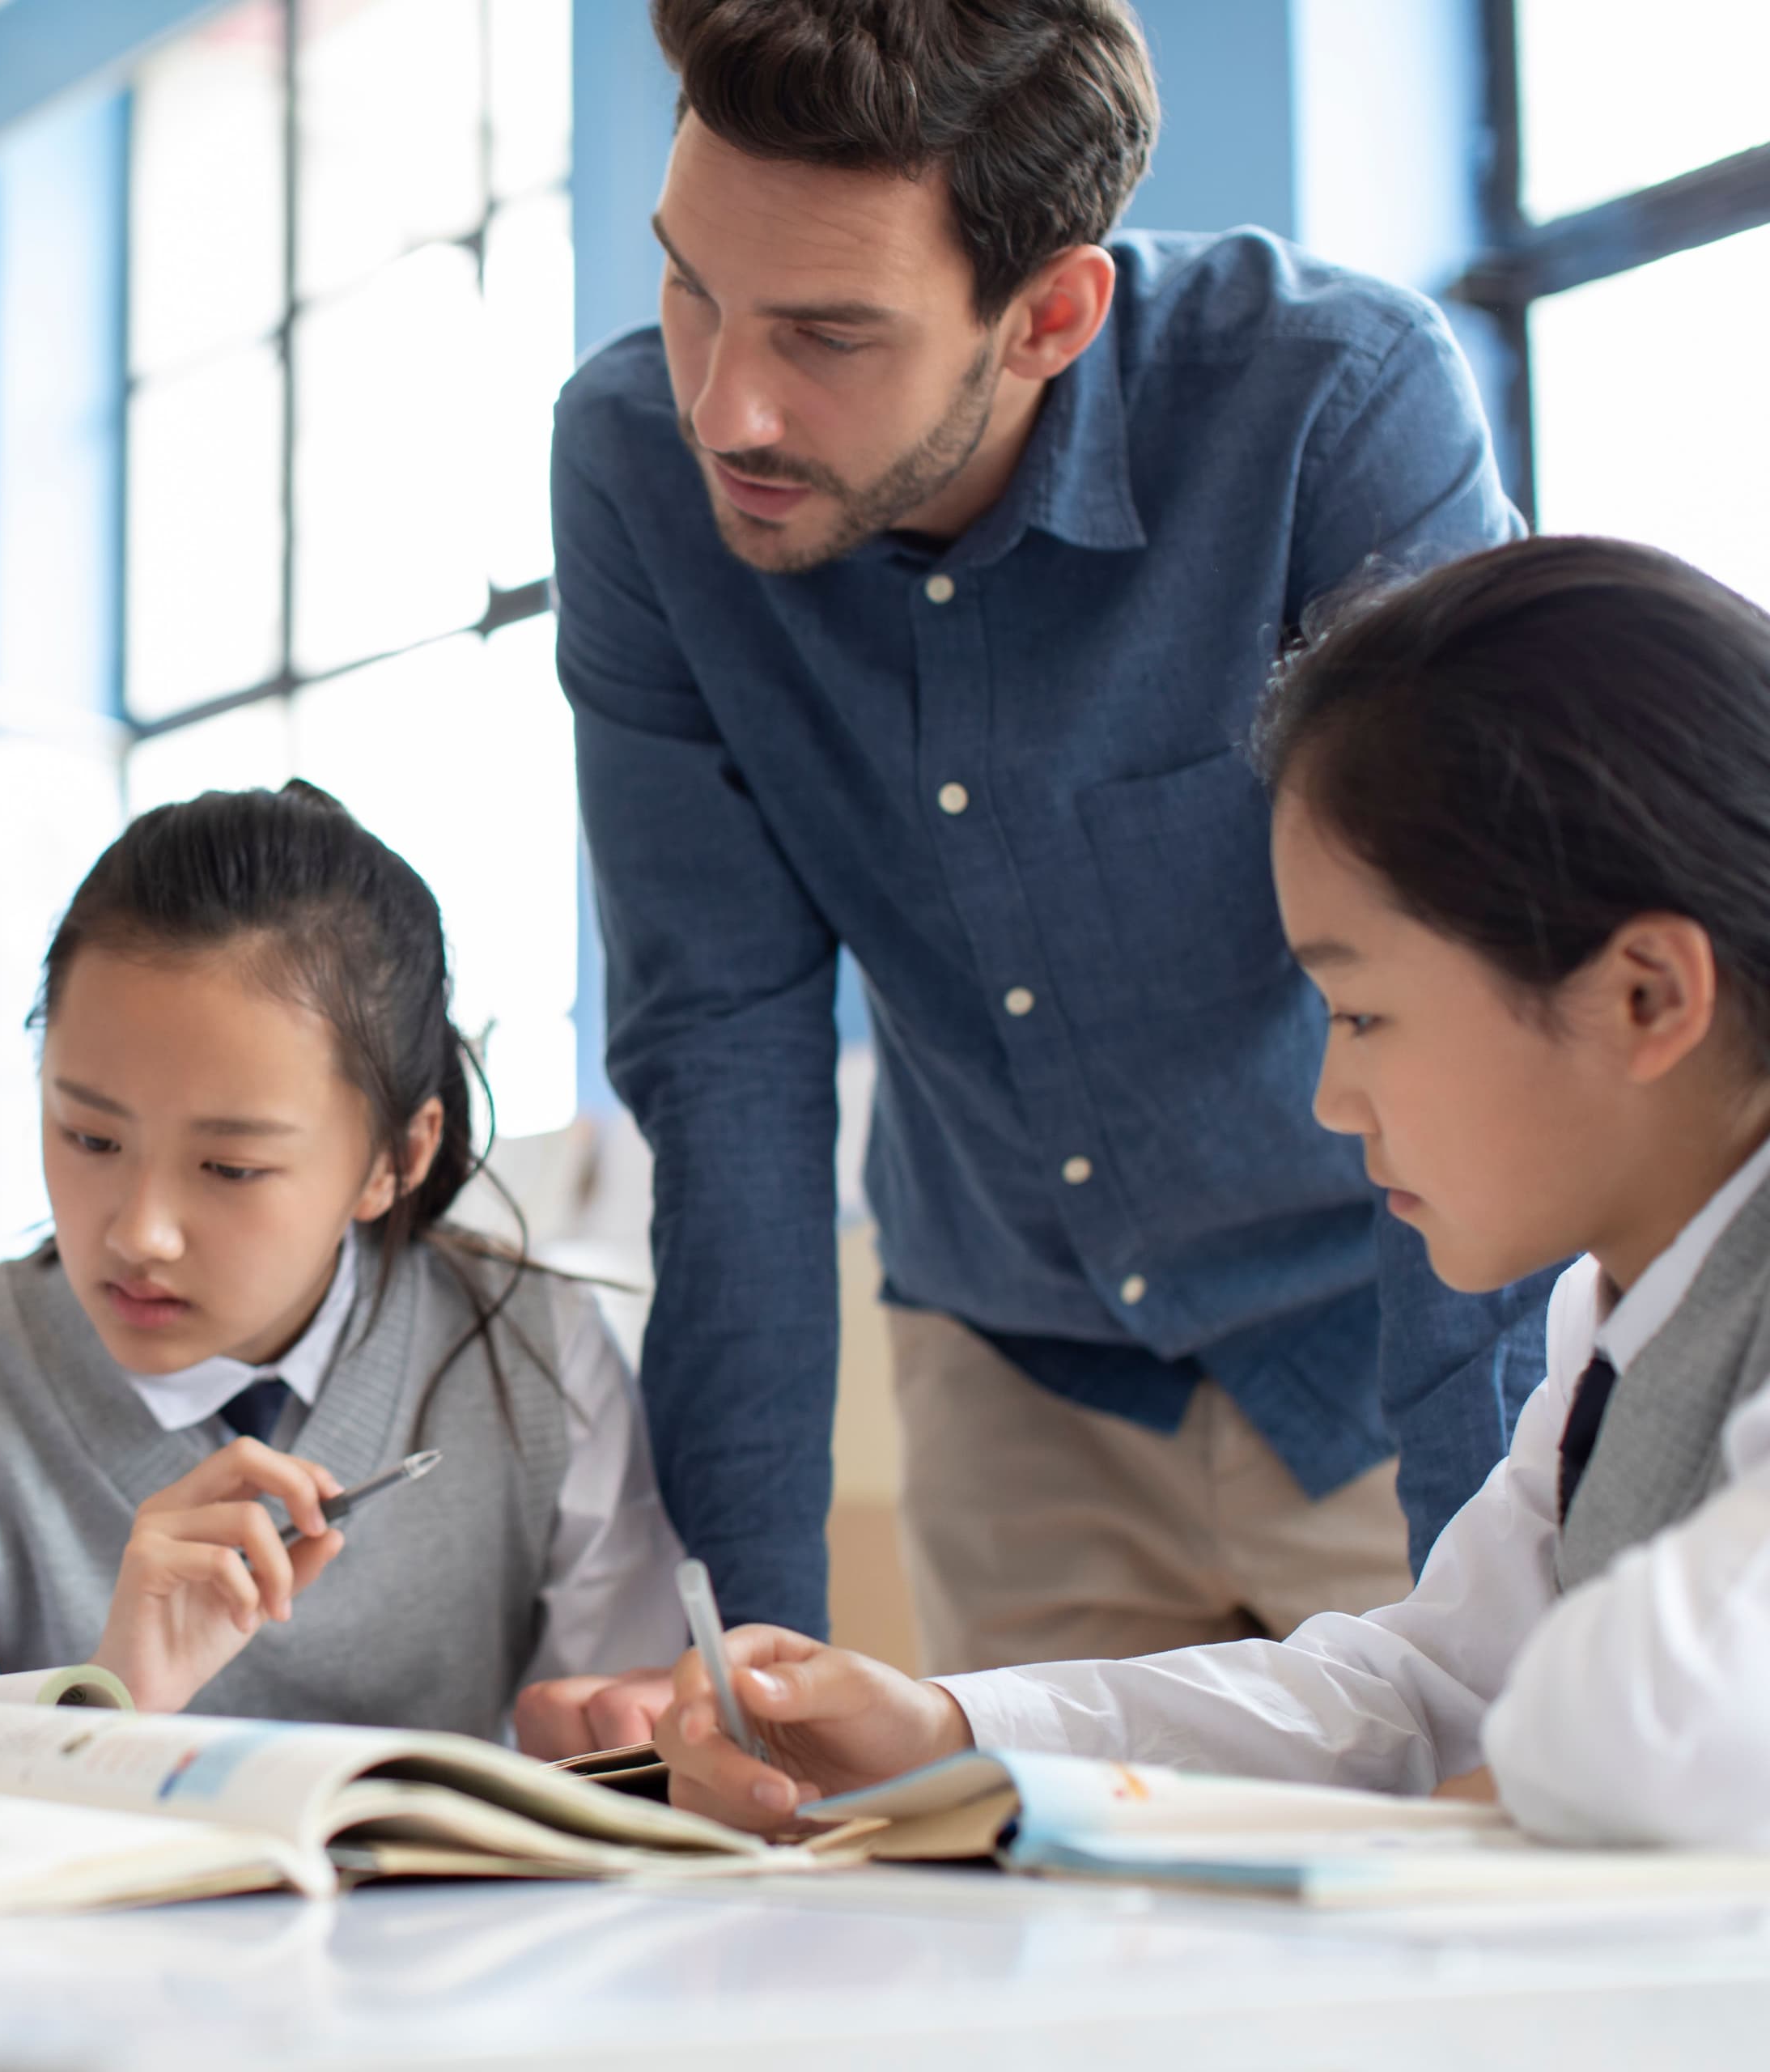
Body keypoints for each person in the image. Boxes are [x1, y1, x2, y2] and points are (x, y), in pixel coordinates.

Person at [554, 0, 1555, 1681]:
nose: (726, 408)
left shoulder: (1335, 407)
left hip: (1390, 1322)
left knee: (1457, 1801)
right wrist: (741, 1656)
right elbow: (720, 1052)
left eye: (828, 336)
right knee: (1017, 1851)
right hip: (1011, 1357)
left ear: (1049, 317)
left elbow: (1475, 999)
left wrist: (1499, 1614)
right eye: (690, 288)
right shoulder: (632, 469)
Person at [652, 537, 1770, 1846]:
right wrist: (951, 1734)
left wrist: (1511, 1772)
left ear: (1646, 996)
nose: (1332, 1101)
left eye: (1362, 1014)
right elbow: (1431, 1694)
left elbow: (1666, 1721)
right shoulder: (1616, 1317)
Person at [0, 782, 685, 1750]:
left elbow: (614, 1758)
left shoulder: (543, 1361)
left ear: (398, 1156)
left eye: (231, 1167)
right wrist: (112, 1704)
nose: (142, 1234)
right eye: (90, 1137)